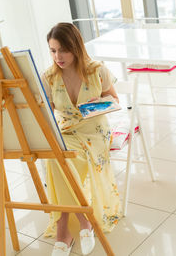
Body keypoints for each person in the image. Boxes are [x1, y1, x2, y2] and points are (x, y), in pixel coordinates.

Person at [42, 22, 122, 256]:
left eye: (63, 50)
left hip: (94, 130)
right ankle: (81, 222)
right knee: (57, 157)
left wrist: (96, 105)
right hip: (67, 129)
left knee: (62, 159)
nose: (58, 56)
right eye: (53, 50)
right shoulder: (49, 77)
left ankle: (63, 231)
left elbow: (114, 99)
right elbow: (47, 111)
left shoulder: (97, 70)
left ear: (75, 47)